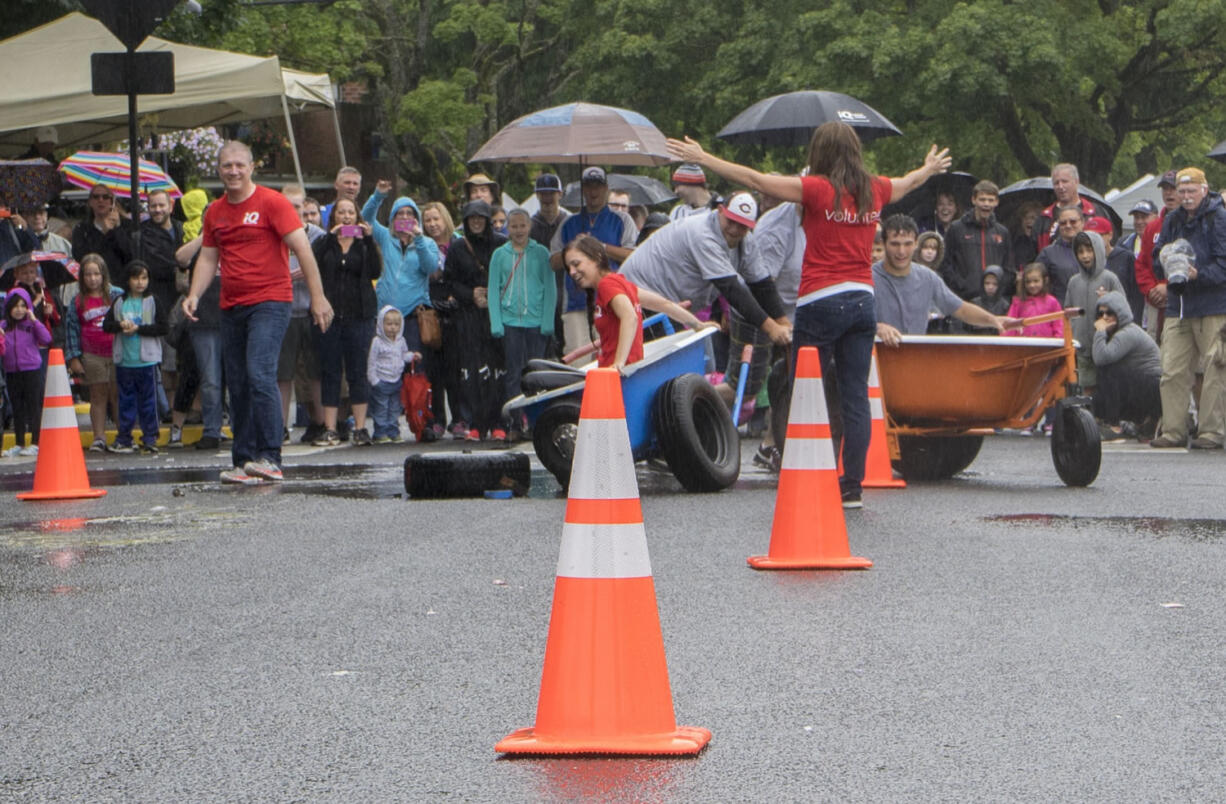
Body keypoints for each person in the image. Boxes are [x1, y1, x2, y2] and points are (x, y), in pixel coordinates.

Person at [668, 123, 952, 508]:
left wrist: (704, 159)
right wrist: (929, 168)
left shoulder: (818, 189)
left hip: (820, 301)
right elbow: (907, 183)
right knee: (854, 395)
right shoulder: (875, 189)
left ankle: (804, 469)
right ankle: (852, 487)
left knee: (801, 386)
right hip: (862, 301)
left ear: (821, 152)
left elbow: (756, 180)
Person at [183, 141, 333, 483]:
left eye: (239, 165)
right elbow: (208, 257)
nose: (233, 171)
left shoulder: (272, 202)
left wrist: (318, 297)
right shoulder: (216, 212)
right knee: (236, 382)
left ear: (251, 168)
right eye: (226, 166)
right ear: (219, 170)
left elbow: (302, 248)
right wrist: (193, 295)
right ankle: (244, 460)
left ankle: (270, 456)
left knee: (259, 372)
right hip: (231, 304)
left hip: (270, 301)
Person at [620, 192, 792, 407]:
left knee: (681, 383)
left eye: (743, 226)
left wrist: (783, 321)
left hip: (672, 305)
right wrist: (771, 328)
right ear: (720, 211)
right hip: (639, 297)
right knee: (665, 383)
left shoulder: (745, 241)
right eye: (731, 222)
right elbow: (731, 289)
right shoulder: (703, 233)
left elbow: (762, 284)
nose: (735, 230)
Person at [1150, 167, 1226, 449]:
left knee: (1215, 370)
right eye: (1182, 191)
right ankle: (1173, 431)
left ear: (1204, 190)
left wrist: (1198, 274)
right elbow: (1155, 261)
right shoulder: (1171, 220)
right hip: (1178, 305)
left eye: (1191, 190)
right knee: (1171, 370)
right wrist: (1166, 259)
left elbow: (1224, 264)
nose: (1186, 196)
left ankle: (1211, 432)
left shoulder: (1219, 217)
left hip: (1214, 305)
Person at [872, 216, 1015, 342]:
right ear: (884, 244)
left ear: (916, 244)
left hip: (913, 359)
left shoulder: (927, 277)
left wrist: (994, 320)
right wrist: (876, 327)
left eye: (908, 244)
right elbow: (850, 319)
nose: (901, 251)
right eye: (895, 244)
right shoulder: (867, 277)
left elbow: (961, 309)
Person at [310, 197, 381, 446]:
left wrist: (369, 239)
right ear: (334, 216)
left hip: (358, 316)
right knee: (330, 371)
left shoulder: (363, 245)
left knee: (357, 372)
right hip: (329, 317)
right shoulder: (324, 243)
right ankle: (330, 428)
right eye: (342, 212)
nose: (347, 217)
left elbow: (375, 271)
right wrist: (332, 237)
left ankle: (361, 427)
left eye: (351, 212)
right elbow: (314, 264)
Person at [549, 167, 638, 355]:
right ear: (583, 190)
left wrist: (602, 247)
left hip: (611, 299)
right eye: (588, 186)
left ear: (606, 188)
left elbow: (633, 255)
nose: (593, 191)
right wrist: (573, 249)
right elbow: (553, 262)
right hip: (575, 302)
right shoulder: (569, 223)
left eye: (597, 186)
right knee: (578, 357)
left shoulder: (622, 220)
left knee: (608, 353)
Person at [114, 188, 184, 418]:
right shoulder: (143, 234)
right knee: (162, 361)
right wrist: (180, 264)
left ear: (171, 206)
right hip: (158, 303)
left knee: (178, 361)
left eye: (161, 205)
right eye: (152, 205)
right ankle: (166, 410)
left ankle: (177, 410)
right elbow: (157, 265)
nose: (157, 210)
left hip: (181, 301)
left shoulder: (181, 229)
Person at [488, 208, 555, 439]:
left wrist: (548, 321)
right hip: (509, 323)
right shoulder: (499, 255)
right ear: (507, 227)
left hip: (536, 322)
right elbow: (493, 291)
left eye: (522, 226)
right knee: (513, 374)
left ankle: (537, 423)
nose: (518, 230)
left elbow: (550, 288)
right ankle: (515, 424)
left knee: (536, 374)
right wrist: (496, 323)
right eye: (514, 226)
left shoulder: (541, 253)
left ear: (529, 227)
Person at [444, 200, 506, 441]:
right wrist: (471, 294)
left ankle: (499, 422)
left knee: (499, 370)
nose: (477, 222)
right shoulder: (458, 247)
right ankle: (477, 424)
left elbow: (508, 275)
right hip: (469, 316)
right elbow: (449, 281)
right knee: (473, 371)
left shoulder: (501, 243)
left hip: (497, 314)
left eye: (481, 217)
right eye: (472, 218)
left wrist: (493, 294)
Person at [362, 179, 441, 352]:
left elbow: (430, 268)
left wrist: (418, 239)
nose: (405, 217)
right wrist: (378, 196)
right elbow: (365, 219)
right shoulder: (386, 237)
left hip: (413, 316)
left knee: (413, 368)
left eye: (409, 213)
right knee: (387, 368)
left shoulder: (427, 243)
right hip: (386, 316)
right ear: (393, 218)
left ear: (416, 218)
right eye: (400, 213)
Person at [277, 185, 327, 445]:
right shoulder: (273, 233)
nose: (292, 211)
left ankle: (320, 424)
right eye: (287, 205)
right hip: (282, 311)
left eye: (297, 206)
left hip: (311, 311)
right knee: (282, 374)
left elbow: (321, 270)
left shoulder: (318, 236)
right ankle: (279, 427)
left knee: (315, 372)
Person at [103, 260, 167, 455]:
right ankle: (124, 437)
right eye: (136, 278)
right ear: (128, 280)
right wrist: (121, 326)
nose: (140, 282)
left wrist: (140, 329)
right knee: (126, 401)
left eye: (144, 278)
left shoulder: (152, 301)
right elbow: (106, 325)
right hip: (125, 360)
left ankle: (149, 437)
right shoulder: (120, 302)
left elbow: (162, 327)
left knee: (148, 400)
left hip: (147, 360)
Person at [63, 253, 122, 452]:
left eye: (96, 274)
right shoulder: (78, 301)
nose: (92, 278)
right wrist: (73, 358)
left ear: (103, 274)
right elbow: (71, 330)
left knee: (117, 395)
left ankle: (123, 435)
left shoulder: (116, 295)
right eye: (88, 274)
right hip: (92, 354)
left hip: (117, 351)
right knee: (98, 396)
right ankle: (99, 436)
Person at [1091, 290, 1161, 441]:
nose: (1104, 318)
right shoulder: (1117, 332)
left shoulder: (1127, 332)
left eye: (1109, 313)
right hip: (1142, 383)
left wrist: (1100, 332)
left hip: (1153, 387)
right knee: (1105, 372)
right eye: (1100, 314)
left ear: (1120, 313)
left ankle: (1115, 425)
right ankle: (1111, 420)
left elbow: (1101, 357)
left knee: (1109, 371)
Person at [419, 200, 459, 440]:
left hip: (454, 310)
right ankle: (436, 419)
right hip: (430, 311)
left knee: (455, 369)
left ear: (445, 219)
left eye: (436, 219)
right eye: (428, 220)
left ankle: (459, 418)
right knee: (434, 371)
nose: (433, 224)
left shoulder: (458, 244)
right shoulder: (421, 246)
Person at [1065, 230, 1123, 390]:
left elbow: (1123, 310)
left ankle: (1107, 416)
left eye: (1089, 250)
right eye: (1080, 252)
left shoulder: (1110, 278)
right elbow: (1068, 312)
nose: (1085, 256)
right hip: (1082, 348)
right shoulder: (1074, 282)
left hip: (1107, 346)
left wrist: (1109, 299)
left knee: (1108, 388)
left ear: (1098, 250)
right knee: (1086, 387)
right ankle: (1091, 415)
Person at [941, 180, 1013, 301]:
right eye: (982, 199)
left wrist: (999, 287)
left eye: (990, 200)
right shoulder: (956, 228)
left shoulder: (1003, 232)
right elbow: (946, 264)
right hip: (965, 299)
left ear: (996, 202)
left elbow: (1009, 268)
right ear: (974, 200)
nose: (986, 204)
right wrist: (962, 286)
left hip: (994, 301)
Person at [2, 287, 51, 456]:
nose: (19, 309)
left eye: (23, 305)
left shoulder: (31, 324)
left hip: (32, 370)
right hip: (12, 371)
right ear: (8, 307)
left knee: (33, 406)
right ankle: (20, 442)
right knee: (17, 408)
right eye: (15, 306)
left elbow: (46, 339)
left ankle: (36, 441)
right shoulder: (3, 326)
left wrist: (35, 320)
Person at [1135, 170, 1180, 341]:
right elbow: (1141, 264)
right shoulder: (1152, 227)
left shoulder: (1191, 225)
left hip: (1181, 301)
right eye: (1165, 188)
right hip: (1155, 302)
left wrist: (1167, 287)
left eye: (1173, 188)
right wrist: (1151, 290)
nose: (1169, 193)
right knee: (1154, 350)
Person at [529, 173, 571, 355]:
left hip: (566, 288)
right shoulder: (529, 225)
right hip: (539, 291)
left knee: (567, 340)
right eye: (543, 194)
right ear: (537, 195)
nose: (547, 198)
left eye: (551, 193)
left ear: (560, 194)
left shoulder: (569, 221)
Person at [367, 305, 420, 443]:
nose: (392, 328)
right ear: (381, 324)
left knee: (395, 408)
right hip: (381, 381)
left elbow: (404, 355)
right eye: (389, 324)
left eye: (396, 324)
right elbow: (371, 362)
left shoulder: (401, 341)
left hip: (396, 381)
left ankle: (393, 431)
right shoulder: (377, 342)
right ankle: (380, 433)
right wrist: (374, 380)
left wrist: (413, 356)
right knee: (381, 408)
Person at [1034, 163, 1114, 251]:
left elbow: (1111, 244)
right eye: (1056, 183)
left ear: (1076, 182)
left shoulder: (1096, 212)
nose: (1060, 186)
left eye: (1065, 181)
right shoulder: (1044, 218)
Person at [70, 183, 123, 275]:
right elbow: (80, 257)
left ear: (112, 202)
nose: (100, 200)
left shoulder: (125, 226)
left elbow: (128, 254)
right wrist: (104, 233)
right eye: (96, 197)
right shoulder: (82, 229)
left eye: (105, 197)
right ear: (90, 202)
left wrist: (116, 230)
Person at [1037, 205, 1085, 304]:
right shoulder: (1048, 254)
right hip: (1060, 310)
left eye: (1073, 221)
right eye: (1063, 223)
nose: (1068, 225)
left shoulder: (1094, 249)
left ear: (1082, 222)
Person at [1005, 264, 1064, 337]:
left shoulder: (1052, 302)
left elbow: (1059, 325)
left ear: (1045, 280)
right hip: (1023, 345)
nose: (1032, 285)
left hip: (1047, 345)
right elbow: (1010, 325)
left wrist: (1057, 341)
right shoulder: (1018, 302)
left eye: (1036, 281)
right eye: (1028, 282)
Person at [963, 265, 1010, 334]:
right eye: (987, 283)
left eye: (995, 284)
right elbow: (966, 328)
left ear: (1000, 285)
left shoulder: (1005, 306)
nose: (990, 287)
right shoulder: (974, 303)